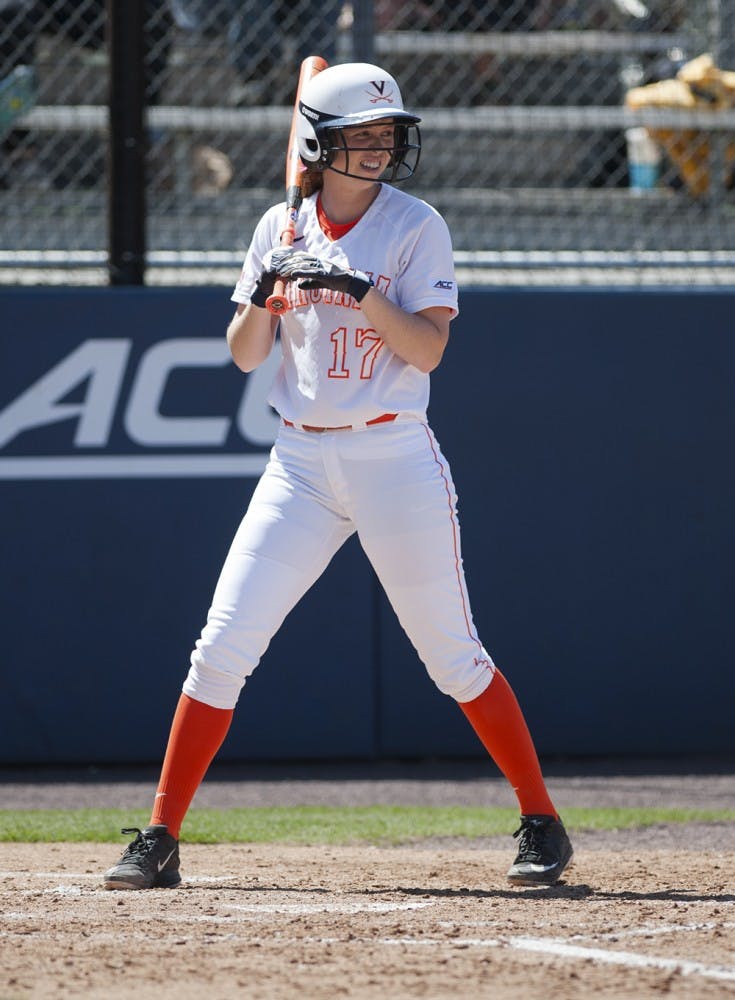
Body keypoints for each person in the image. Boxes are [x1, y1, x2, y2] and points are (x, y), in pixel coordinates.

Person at [102, 60, 574, 892]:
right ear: (318, 144)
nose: (381, 147)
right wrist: (268, 295)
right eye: (361, 136)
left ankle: (541, 821)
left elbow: (428, 348)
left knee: (451, 658)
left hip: (394, 455)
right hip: (299, 463)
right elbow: (245, 355)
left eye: (387, 134)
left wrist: (357, 292)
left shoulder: (414, 226)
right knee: (220, 648)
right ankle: (158, 834)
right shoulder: (277, 228)